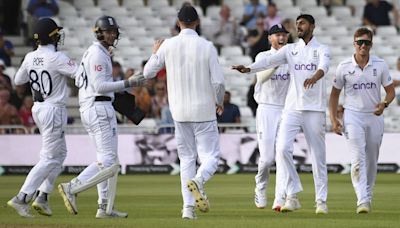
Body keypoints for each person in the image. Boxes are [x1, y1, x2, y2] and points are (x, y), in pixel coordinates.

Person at [232, 14, 330, 214]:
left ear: (312, 26)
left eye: (302, 23)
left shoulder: (322, 49)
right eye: (297, 24)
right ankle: (291, 195)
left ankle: (321, 201)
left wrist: (315, 76)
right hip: (291, 108)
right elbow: (267, 63)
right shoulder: (290, 50)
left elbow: (324, 67)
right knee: (282, 150)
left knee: (318, 157)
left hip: (314, 108)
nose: (298, 27)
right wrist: (248, 68)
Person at [57, 16, 146, 219]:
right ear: (99, 32)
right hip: (99, 108)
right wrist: (129, 82)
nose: (112, 35)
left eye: (114, 31)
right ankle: (72, 187)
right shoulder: (97, 54)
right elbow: (99, 86)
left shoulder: (97, 52)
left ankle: (104, 208)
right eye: (108, 31)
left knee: (106, 160)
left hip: (94, 107)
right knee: (109, 161)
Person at [143, 5, 225, 219]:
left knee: (186, 159)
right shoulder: (207, 46)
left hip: (179, 112)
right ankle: (198, 181)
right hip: (204, 111)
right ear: (197, 22)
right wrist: (219, 102)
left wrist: (154, 54)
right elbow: (218, 82)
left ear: (178, 23)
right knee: (211, 157)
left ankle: (187, 209)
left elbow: (147, 72)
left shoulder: (167, 45)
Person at [6, 18, 78, 217]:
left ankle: (42, 196)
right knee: (48, 157)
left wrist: (35, 68)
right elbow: (80, 74)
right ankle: (22, 197)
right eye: (56, 33)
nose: (59, 37)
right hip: (54, 109)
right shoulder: (58, 57)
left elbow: (19, 80)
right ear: (52, 36)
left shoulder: (29, 57)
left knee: (60, 154)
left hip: (39, 108)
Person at [329, 27, 395, 214]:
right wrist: (334, 119)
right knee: (358, 159)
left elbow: (390, 91)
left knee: (372, 159)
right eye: (360, 42)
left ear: (371, 45)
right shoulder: (344, 67)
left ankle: (368, 194)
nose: (363, 46)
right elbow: (334, 96)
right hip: (352, 116)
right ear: (354, 43)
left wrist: (384, 104)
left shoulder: (380, 65)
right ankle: (362, 199)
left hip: (374, 116)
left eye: (366, 42)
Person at [252, 24, 291, 212]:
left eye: (284, 34)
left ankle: (279, 198)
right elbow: (261, 77)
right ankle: (260, 187)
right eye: (277, 35)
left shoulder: (292, 57)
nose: (281, 37)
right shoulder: (263, 57)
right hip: (266, 109)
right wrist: (278, 61)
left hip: (286, 111)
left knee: (283, 155)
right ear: (270, 38)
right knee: (267, 159)